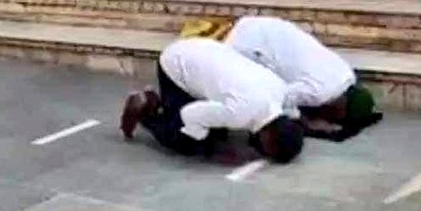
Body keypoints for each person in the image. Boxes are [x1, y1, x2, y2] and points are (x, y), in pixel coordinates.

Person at [120, 38, 305, 164]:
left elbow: (295, 113)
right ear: (269, 139)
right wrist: (201, 139)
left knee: (217, 131)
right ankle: (145, 110)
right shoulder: (239, 114)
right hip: (177, 63)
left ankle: (167, 108)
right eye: (268, 151)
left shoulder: (280, 93)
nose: (262, 153)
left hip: (204, 49)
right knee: (185, 142)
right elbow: (189, 114)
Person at [225, 16, 382, 140]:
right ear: (341, 109)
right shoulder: (319, 93)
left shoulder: (346, 73)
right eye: (339, 119)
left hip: (266, 26)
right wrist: (307, 122)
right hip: (247, 46)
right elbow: (278, 97)